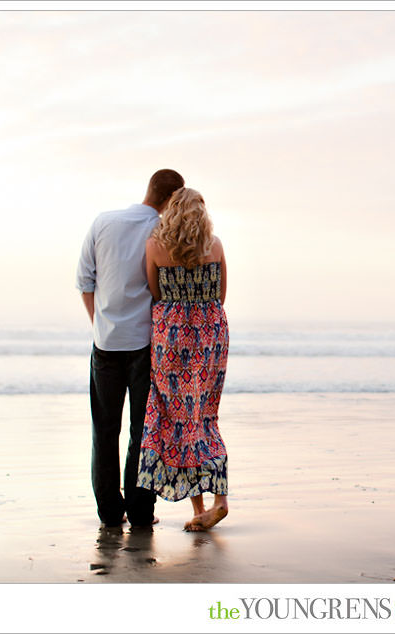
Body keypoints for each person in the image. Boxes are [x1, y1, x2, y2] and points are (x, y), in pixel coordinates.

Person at [75, 168, 185, 528]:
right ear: (170, 200)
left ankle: (109, 512)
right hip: (144, 345)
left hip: (105, 343)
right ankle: (140, 512)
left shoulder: (103, 222)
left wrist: (100, 325)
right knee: (143, 430)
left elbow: (85, 281)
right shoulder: (163, 233)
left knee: (104, 430)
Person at [136, 187, 230, 531]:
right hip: (210, 334)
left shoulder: (156, 246)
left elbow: (155, 292)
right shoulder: (215, 245)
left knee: (177, 417)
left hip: (171, 336)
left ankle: (200, 505)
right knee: (204, 415)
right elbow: (221, 295)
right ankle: (217, 502)